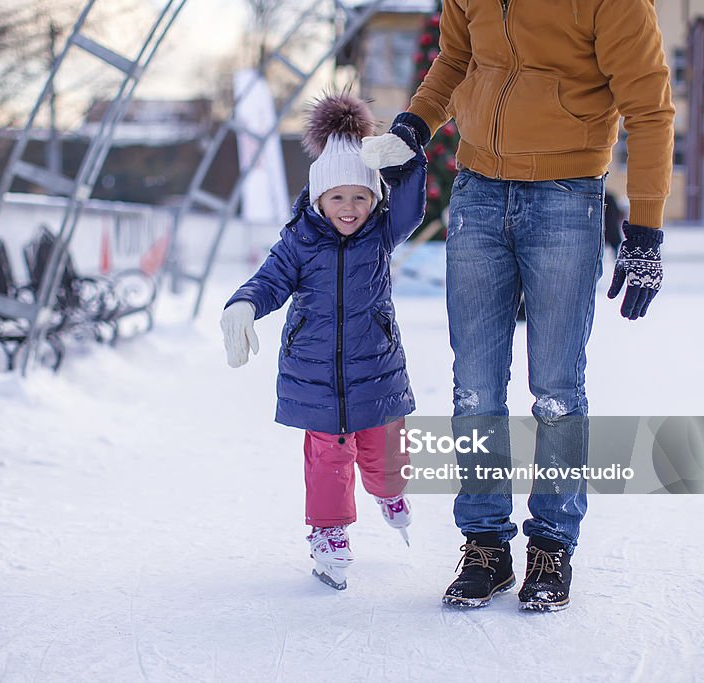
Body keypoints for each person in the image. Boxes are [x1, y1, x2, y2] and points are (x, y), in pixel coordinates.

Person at [361, 0, 673, 610]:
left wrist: (646, 229)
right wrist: (416, 123)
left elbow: (650, 107)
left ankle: (552, 544)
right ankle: (485, 545)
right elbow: (455, 59)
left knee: (556, 388)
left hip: (566, 195)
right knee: (474, 387)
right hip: (477, 193)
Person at [220, 93, 427, 590]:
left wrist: (407, 161)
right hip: (315, 375)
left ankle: (389, 493)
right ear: (318, 199)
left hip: (375, 371)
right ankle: (328, 532)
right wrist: (244, 304)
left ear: (374, 200)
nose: (349, 207)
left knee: (385, 460)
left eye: (360, 196)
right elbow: (269, 280)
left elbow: (412, 203)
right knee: (328, 456)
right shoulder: (299, 240)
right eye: (337, 197)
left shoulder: (381, 233)